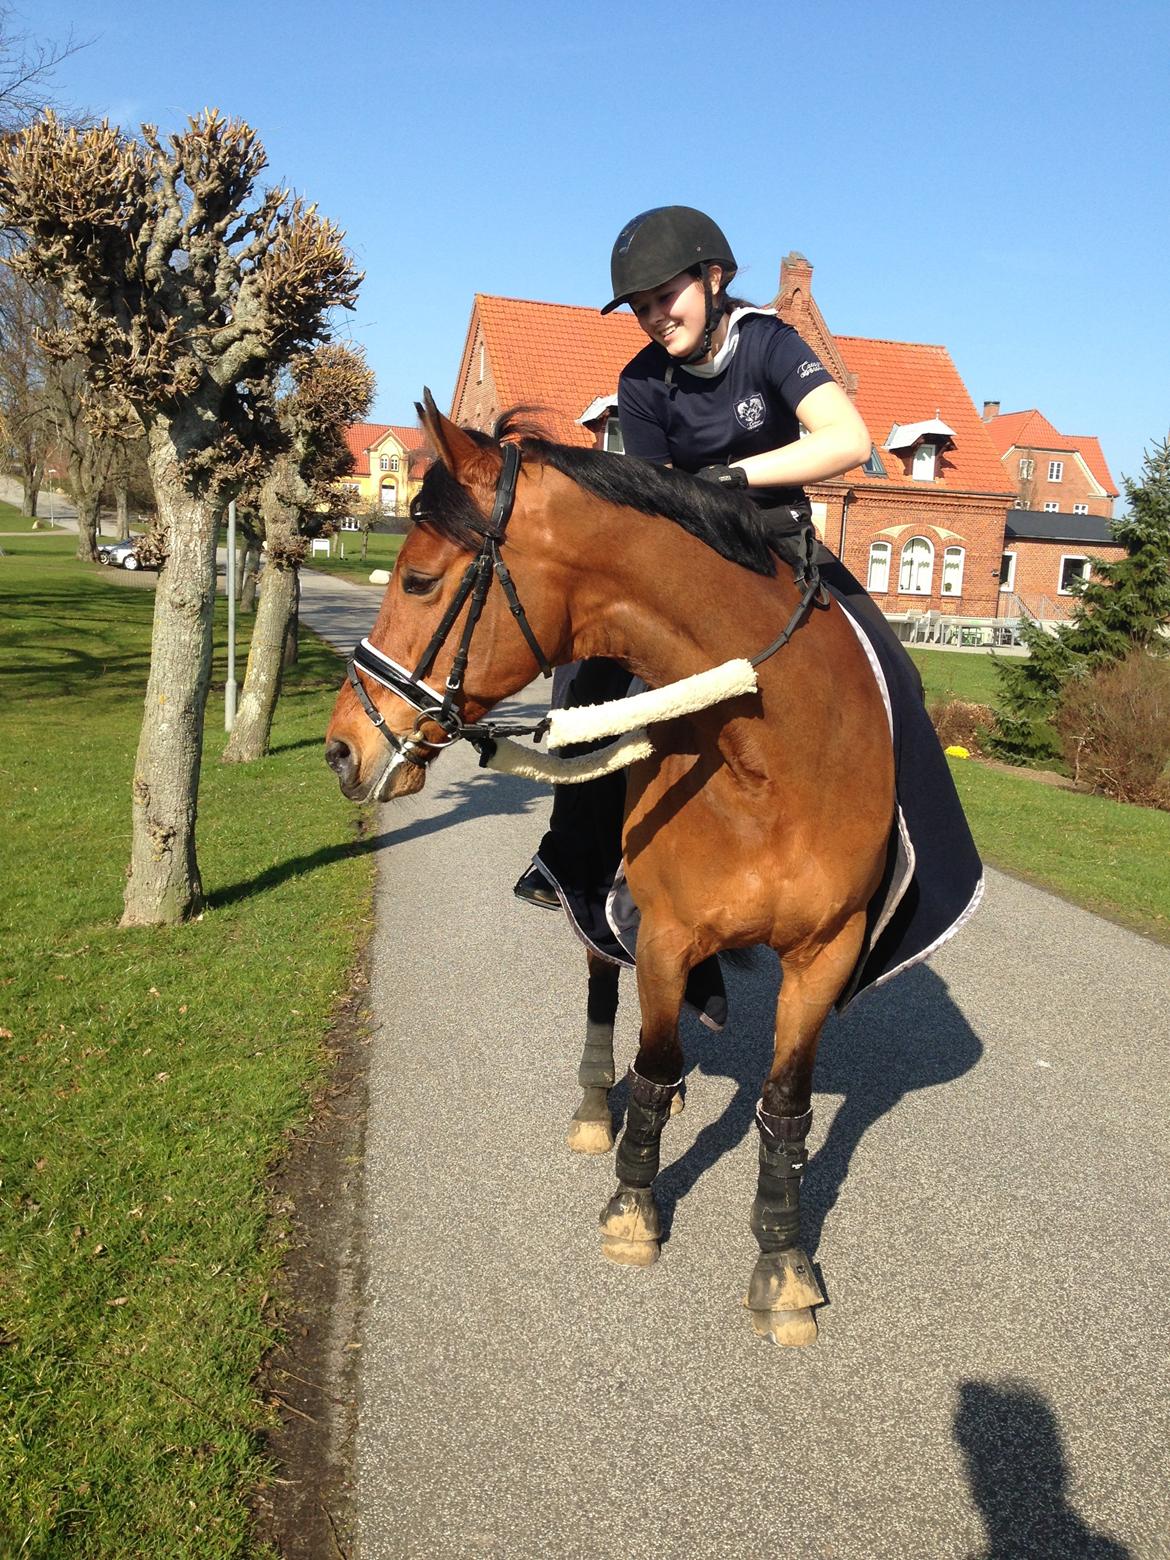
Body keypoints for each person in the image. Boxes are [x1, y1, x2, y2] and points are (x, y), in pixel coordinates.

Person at [512, 207, 913, 1020]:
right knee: (588, 685)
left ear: (714, 279)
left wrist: (733, 479)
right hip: (685, 568)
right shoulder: (640, 382)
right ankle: (574, 859)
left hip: (780, 547)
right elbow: (657, 507)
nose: (658, 317)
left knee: (891, 667)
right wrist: (695, 510)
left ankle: (907, 861)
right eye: (643, 306)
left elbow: (847, 439)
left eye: (669, 296)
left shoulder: (768, 344)